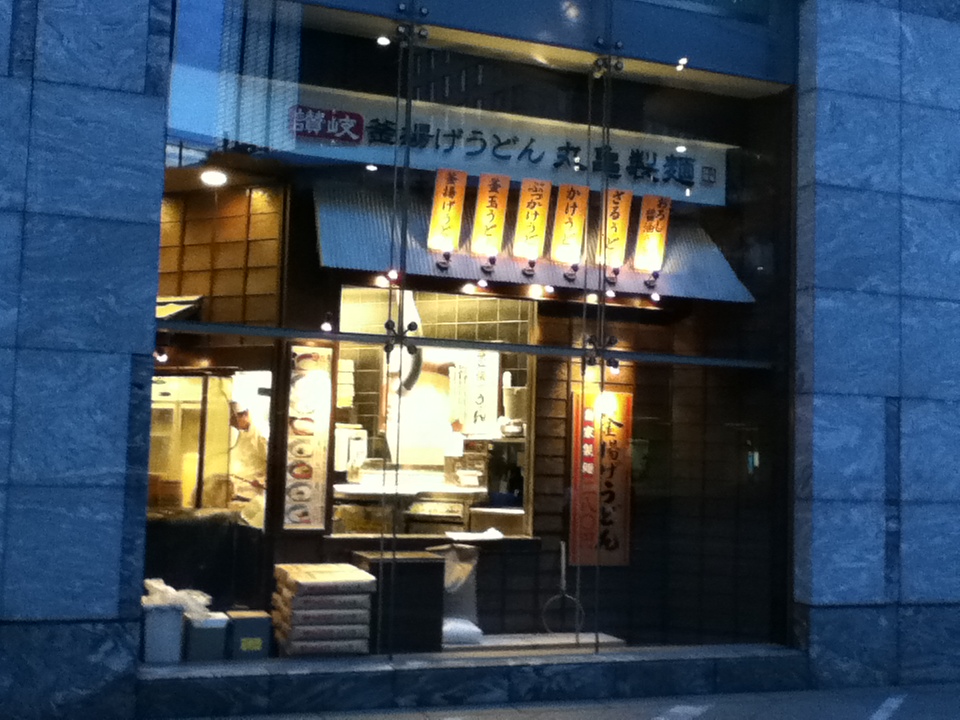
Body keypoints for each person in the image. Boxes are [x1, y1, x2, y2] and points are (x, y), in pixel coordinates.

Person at [229, 401, 268, 527]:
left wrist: (262, 481)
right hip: (235, 493)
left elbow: (273, 464)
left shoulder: (260, 436)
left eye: (234, 420)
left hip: (251, 495)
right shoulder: (235, 434)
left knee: (246, 526)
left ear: (245, 415)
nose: (232, 424)